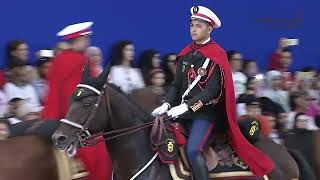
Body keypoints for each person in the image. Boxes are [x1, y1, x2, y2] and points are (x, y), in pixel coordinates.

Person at [152, 6, 272, 179]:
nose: (193, 29)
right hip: (183, 112)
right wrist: (167, 103)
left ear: (209, 29)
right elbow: (176, 85)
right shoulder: (186, 54)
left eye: (199, 26)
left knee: (193, 150)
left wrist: (186, 106)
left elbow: (212, 91)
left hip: (206, 114)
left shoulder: (216, 55)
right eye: (192, 25)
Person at [42, 22, 112, 180]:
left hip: (64, 119)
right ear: (77, 39)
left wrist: (51, 119)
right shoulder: (83, 63)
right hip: (81, 123)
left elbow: (53, 93)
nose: (87, 41)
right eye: (85, 38)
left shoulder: (59, 60)